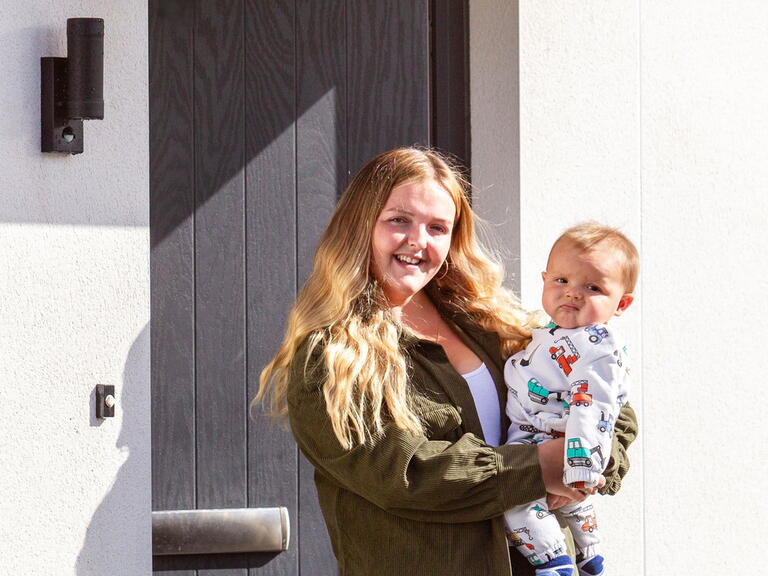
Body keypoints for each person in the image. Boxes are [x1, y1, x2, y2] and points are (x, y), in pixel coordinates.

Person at [255, 148, 637, 576]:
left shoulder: (492, 324)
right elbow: (406, 475)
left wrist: (589, 466)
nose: (418, 241)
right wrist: (543, 466)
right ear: (360, 224)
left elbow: (611, 401)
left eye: (437, 227)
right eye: (399, 219)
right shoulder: (331, 357)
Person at [503, 223, 638, 576]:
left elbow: (594, 409)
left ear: (621, 303)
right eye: (561, 281)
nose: (572, 293)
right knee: (567, 505)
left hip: (549, 436)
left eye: (592, 287)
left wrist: (579, 472)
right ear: (544, 280)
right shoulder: (559, 333)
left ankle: (553, 562)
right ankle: (590, 552)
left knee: (517, 505)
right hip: (539, 430)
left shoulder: (596, 347)